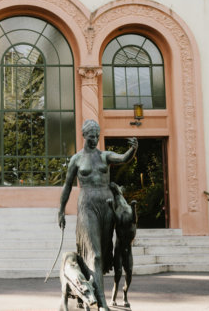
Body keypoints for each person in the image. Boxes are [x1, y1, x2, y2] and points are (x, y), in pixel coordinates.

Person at [57, 120, 137, 311]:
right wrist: (61, 210)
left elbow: (123, 158)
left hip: (106, 207)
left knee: (102, 250)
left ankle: (90, 291)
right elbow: (67, 186)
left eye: (97, 136)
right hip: (87, 206)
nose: (94, 140)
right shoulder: (76, 160)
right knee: (96, 254)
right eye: (91, 136)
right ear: (84, 135)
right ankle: (101, 303)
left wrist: (133, 149)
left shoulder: (104, 156)